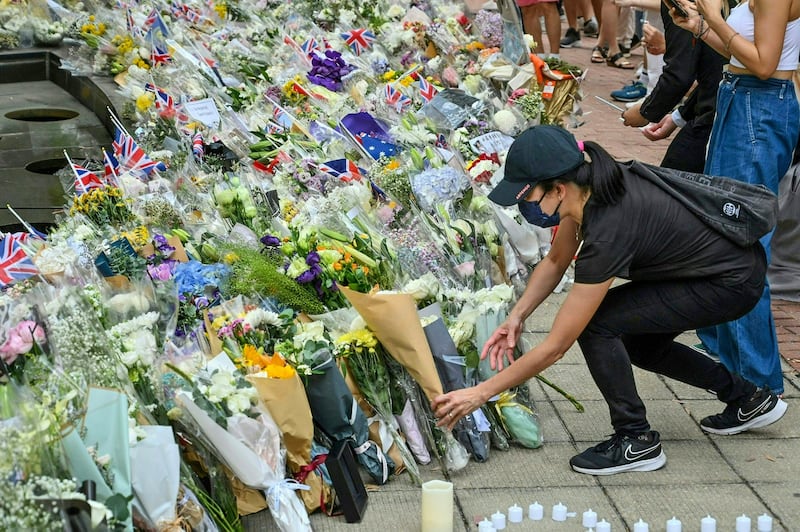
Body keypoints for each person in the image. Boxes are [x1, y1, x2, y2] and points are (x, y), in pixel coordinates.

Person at [431, 125, 787, 475]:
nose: (525, 207)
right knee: (640, 345)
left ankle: (636, 439)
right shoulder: (587, 189)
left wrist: (479, 393)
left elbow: (556, 346)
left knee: (598, 325)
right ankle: (747, 399)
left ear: (557, 188)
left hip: (727, 283)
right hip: (714, 270)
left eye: (527, 198)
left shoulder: (608, 229)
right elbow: (555, 260)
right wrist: (516, 316)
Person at [671, 0, 800, 395]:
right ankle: (731, 358)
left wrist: (711, 18)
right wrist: (700, 28)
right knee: (724, 232)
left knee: (741, 244)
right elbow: (739, 51)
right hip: (744, 100)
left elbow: (763, 63)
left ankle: (757, 386)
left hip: (757, 106)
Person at [621, 1, 727, 173]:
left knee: (674, 185)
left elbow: (680, 75)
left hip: (723, 111)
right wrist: (679, 116)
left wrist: (645, 111)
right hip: (720, 100)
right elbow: (715, 67)